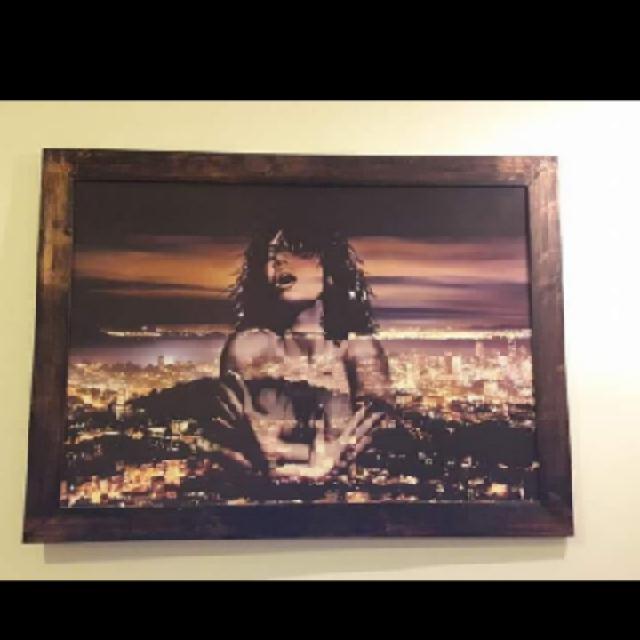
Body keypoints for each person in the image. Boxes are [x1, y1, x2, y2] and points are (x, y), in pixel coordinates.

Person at [208, 223, 391, 489]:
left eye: (296, 250)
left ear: (328, 267)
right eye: (270, 255)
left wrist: (286, 454)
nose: (278, 260)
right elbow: (233, 446)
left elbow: (379, 445)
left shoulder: (360, 351)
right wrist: (320, 463)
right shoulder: (248, 349)